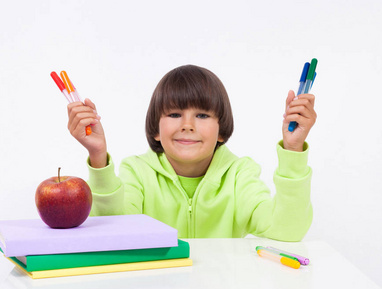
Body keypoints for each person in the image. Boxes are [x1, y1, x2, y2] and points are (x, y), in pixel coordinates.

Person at [67, 65, 316, 241]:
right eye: (175, 114)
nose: (187, 125)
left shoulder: (240, 174)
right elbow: (114, 234)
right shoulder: (137, 171)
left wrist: (293, 149)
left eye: (202, 115)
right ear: (156, 130)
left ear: (221, 130)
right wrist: (98, 155)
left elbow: (287, 231)